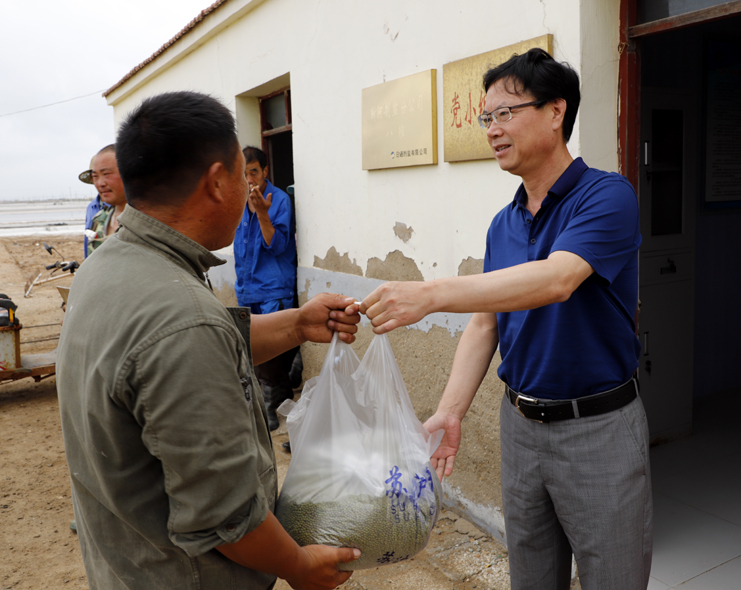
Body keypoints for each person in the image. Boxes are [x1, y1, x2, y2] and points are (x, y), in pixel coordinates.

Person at [360, 48, 651, 590]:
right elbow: (485, 323)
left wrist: (431, 294)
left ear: (556, 111)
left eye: (505, 113)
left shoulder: (607, 196)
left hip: (598, 429)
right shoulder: (504, 223)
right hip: (520, 428)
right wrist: (451, 411)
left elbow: (557, 279)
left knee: (614, 577)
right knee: (531, 577)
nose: (492, 129)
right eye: (486, 117)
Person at [57, 90, 361, 590]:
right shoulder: (181, 320)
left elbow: (198, 348)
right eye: (243, 175)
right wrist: (300, 566)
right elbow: (226, 516)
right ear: (218, 181)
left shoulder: (109, 265)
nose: (247, 188)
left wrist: (298, 324)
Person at [233, 145, 301, 430]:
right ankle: (277, 394)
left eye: (254, 172)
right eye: (244, 174)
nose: (249, 180)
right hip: (247, 289)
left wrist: (263, 213)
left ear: (265, 171)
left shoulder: (279, 200)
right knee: (252, 348)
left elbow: (278, 245)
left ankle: (272, 404)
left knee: (271, 349)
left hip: (274, 288)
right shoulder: (239, 201)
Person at [85, 144, 127, 257]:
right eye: (95, 176)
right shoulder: (99, 219)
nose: (100, 183)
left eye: (106, 174)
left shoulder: (149, 221)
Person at [77, 159, 103, 258]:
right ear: (91, 179)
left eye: (106, 175)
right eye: (96, 176)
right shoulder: (91, 207)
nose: (102, 182)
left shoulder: (124, 206)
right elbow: (87, 240)